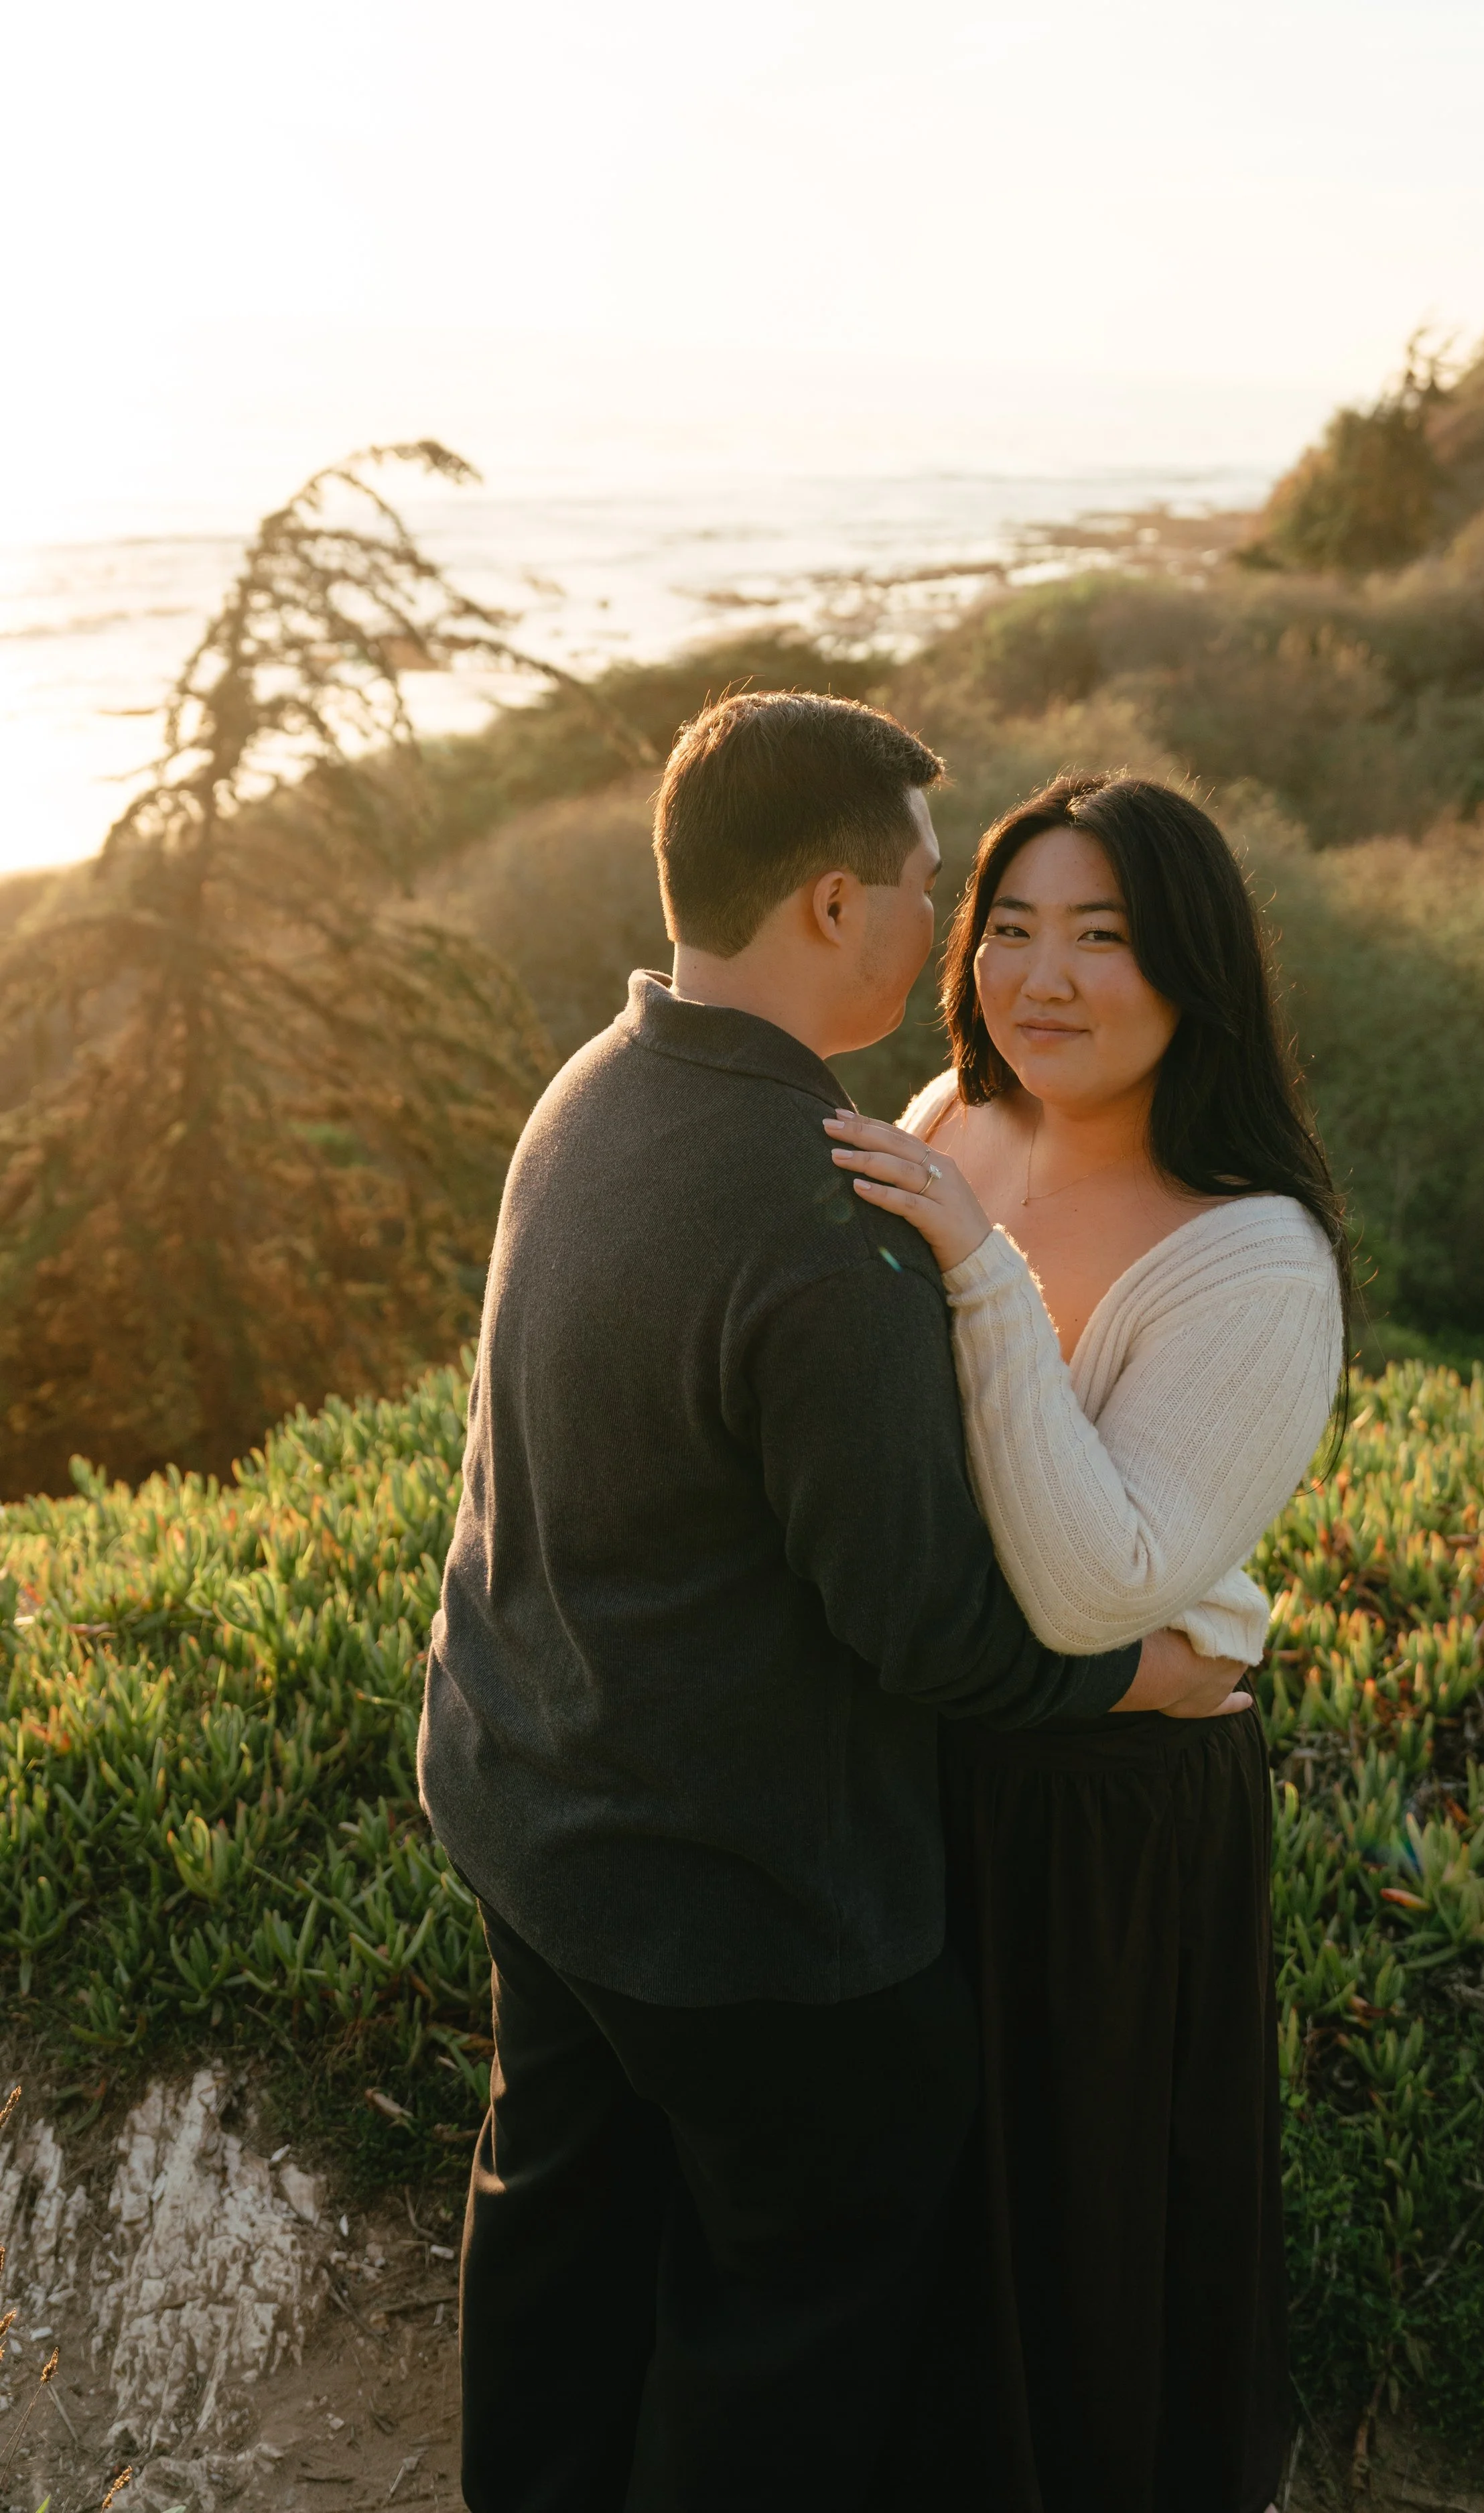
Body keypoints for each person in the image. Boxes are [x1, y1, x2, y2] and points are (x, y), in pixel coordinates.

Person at [416, 700, 1239, 2513]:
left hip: (524, 1805)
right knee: (796, 2289)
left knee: (557, 2218)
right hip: (741, 1905)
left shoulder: (597, 1085)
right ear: (823, 904)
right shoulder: (818, 1212)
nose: (949, 932)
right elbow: (932, 1629)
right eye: (928, 892)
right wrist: (1137, 1674)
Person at [826, 774, 1349, 2513]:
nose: (1038, 977)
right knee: (912, 2239)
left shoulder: (1249, 1259)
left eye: (1101, 936)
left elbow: (1085, 1584)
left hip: (1107, 1820)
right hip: (926, 1767)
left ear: (1190, 967)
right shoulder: (943, 1122)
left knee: (1080, 2244)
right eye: (1010, 927)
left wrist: (978, 1272)